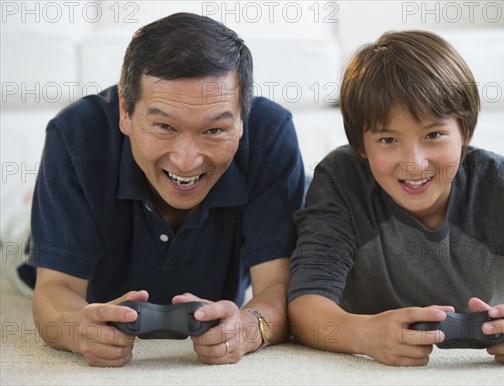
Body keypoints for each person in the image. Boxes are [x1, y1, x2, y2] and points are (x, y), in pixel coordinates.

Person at [287, 30, 504, 366]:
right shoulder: (340, 179)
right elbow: (306, 308)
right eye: (388, 140)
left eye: (433, 135)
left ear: (465, 131)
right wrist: (362, 333)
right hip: (343, 247)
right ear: (360, 145)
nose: (414, 163)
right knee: (303, 195)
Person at [25, 12, 304, 367]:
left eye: (214, 131)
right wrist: (76, 329)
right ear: (125, 112)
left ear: (242, 120)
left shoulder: (271, 135)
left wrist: (249, 328)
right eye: (164, 126)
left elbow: (277, 289)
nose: (186, 162)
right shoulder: (75, 134)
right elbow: (53, 289)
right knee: (19, 237)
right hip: (52, 248)